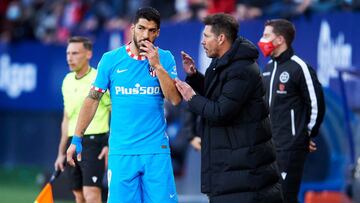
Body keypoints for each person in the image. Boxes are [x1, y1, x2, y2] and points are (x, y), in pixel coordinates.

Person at [66, 7, 182, 203]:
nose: (146, 35)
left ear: (158, 32)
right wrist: (77, 139)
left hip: (155, 151)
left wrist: (157, 66)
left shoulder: (165, 58)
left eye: (152, 30)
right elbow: (92, 99)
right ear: (132, 28)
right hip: (122, 153)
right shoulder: (111, 60)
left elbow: (175, 99)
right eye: (142, 28)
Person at [175, 13, 283, 203]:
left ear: (221, 38)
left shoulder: (242, 70)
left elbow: (220, 112)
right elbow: (217, 94)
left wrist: (191, 97)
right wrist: (194, 77)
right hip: (230, 172)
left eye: (206, 36)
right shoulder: (221, 64)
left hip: (244, 176)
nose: (202, 42)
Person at [258, 19, 325, 203]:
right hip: (268, 147)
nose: (261, 40)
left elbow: (316, 104)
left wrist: (307, 135)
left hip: (290, 147)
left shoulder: (299, 67)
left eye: (266, 36)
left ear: (279, 40)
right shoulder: (268, 68)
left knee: (285, 197)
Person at [54, 36, 110, 203]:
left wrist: (109, 144)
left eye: (75, 53)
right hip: (74, 143)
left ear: (88, 54)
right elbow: (66, 118)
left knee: (91, 195)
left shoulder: (99, 78)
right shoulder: (67, 81)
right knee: (79, 196)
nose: (70, 57)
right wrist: (60, 153)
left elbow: (115, 112)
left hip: (95, 142)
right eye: (68, 53)